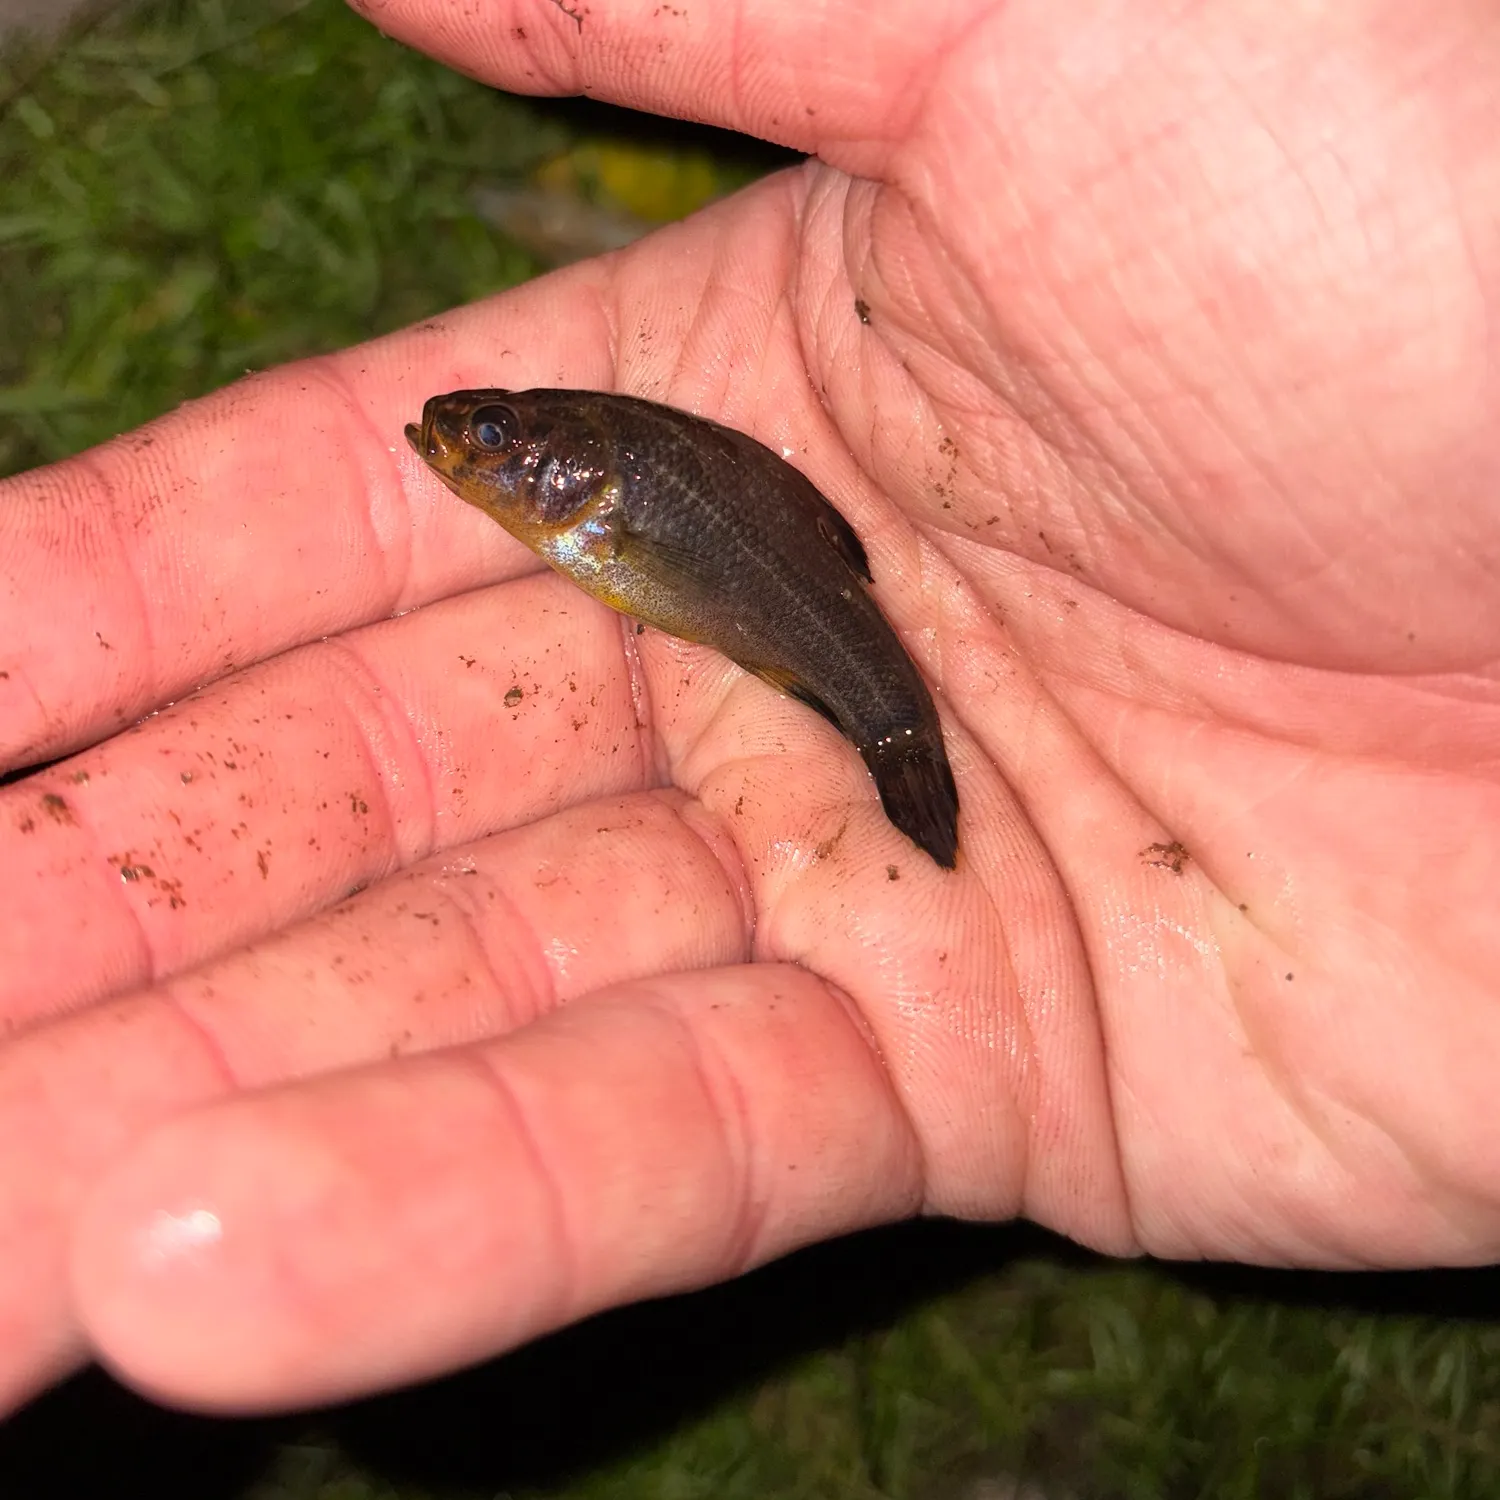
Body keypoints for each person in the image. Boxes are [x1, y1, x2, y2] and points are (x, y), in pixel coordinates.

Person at [1, 0, 1495, 1415]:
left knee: (859, 691)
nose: (467, 454)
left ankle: (896, 740)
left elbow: (693, 540)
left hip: (795, 605)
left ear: (560, 473)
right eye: (480, 446)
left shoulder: (597, 498)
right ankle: (894, 747)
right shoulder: (592, 493)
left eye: (494, 444)